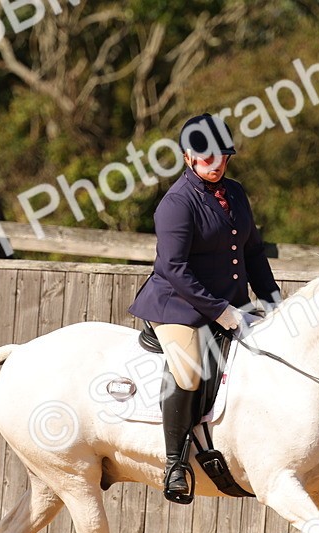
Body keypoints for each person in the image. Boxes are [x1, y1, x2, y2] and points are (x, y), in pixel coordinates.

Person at [128, 113, 282, 503]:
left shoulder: (235, 194)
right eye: (207, 157)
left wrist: (274, 301)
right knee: (190, 370)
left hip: (232, 303)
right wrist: (221, 312)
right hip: (177, 307)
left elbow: (252, 252)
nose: (216, 164)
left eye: (222, 157)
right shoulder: (176, 204)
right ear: (188, 158)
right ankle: (175, 464)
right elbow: (173, 268)